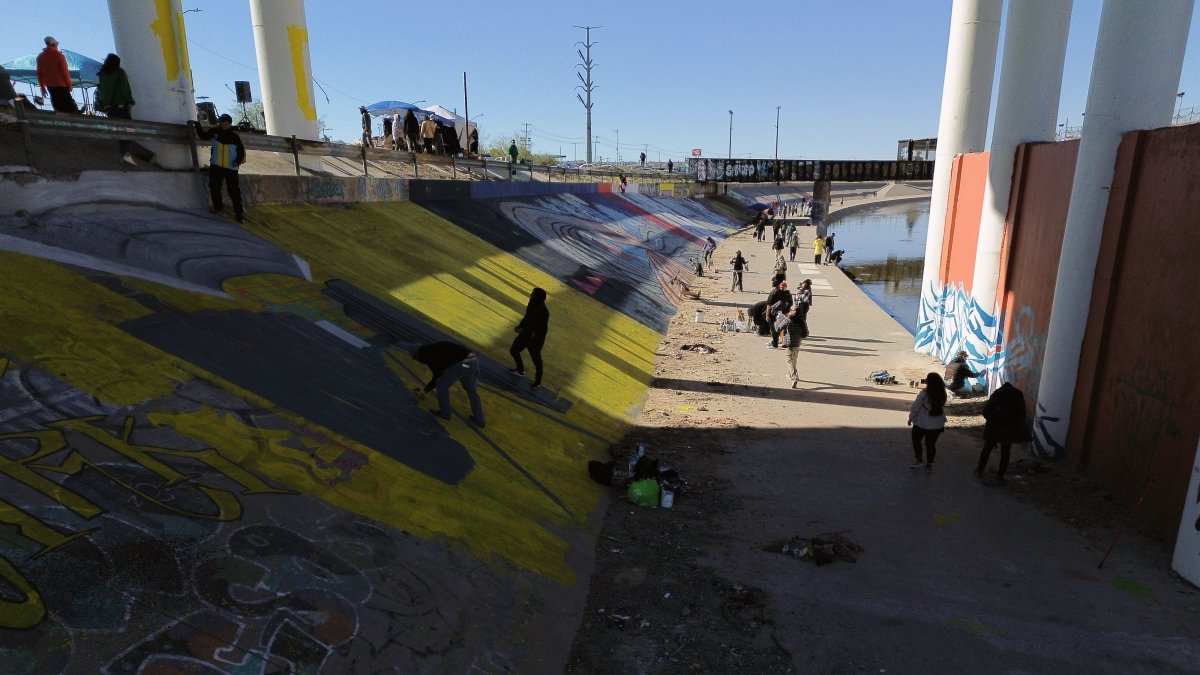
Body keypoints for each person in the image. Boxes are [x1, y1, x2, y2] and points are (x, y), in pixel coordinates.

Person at [412, 341, 485, 427]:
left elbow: (437, 377)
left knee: (442, 384)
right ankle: (480, 420)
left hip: (464, 363)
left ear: (418, 356)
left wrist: (424, 391)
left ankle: (445, 414)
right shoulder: (434, 348)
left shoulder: (430, 356)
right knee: (472, 391)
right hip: (473, 360)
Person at [192, 114, 247, 222]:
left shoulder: (235, 136)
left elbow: (241, 151)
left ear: (229, 123)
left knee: (234, 190)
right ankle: (218, 207)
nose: (223, 123)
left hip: (231, 167)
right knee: (214, 187)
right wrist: (197, 124)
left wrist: (237, 162)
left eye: (225, 122)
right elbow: (203, 136)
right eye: (222, 121)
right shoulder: (214, 132)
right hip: (216, 166)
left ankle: (239, 213)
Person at [975, 382, 1027, 484]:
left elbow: (986, 411)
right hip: (1009, 429)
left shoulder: (997, 393)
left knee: (987, 449)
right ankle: (1000, 475)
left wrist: (991, 421)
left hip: (993, 427)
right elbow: (1022, 414)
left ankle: (980, 470)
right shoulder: (1018, 396)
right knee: (1005, 452)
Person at [96, 53, 137, 166]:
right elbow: (125, 89)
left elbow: (103, 91)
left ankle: (124, 155)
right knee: (130, 130)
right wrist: (130, 101)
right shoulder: (120, 73)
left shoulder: (102, 74)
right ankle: (126, 154)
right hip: (121, 106)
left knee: (119, 130)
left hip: (109, 108)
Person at [508, 288, 549, 389]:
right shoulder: (532, 303)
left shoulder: (544, 312)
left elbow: (542, 328)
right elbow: (527, 315)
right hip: (526, 333)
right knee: (514, 350)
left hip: (536, 339)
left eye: (533, 295)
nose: (531, 296)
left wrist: (533, 335)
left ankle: (538, 382)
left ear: (539, 298)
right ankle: (520, 370)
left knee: (536, 359)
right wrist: (520, 325)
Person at [907, 373, 947, 471]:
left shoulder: (924, 394)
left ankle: (919, 459)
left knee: (916, 439)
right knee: (931, 444)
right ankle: (929, 464)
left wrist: (911, 418)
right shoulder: (943, 393)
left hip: (923, 423)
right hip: (937, 424)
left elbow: (915, 408)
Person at [37, 36, 79, 114]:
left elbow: (39, 73)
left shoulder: (40, 57)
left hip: (50, 86)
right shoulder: (59, 56)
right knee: (71, 109)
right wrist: (69, 85)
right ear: (55, 45)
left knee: (58, 108)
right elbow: (65, 72)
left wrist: (42, 87)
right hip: (62, 86)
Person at [783, 299, 810, 388]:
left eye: (791, 310)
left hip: (789, 343)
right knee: (794, 360)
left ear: (794, 311)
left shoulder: (788, 320)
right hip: (797, 343)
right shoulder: (801, 320)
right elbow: (806, 333)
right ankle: (791, 375)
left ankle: (794, 378)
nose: (790, 311)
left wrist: (785, 317)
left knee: (789, 361)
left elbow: (778, 327)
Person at [765, 280, 793, 349]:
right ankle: (776, 342)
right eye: (782, 287)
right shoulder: (778, 293)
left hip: (779, 314)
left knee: (775, 329)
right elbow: (769, 305)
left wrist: (767, 315)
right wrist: (767, 315)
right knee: (779, 329)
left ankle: (775, 344)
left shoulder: (777, 293)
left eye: (784, 287)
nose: (783, 288)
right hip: (777, 314)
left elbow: (769, 305)